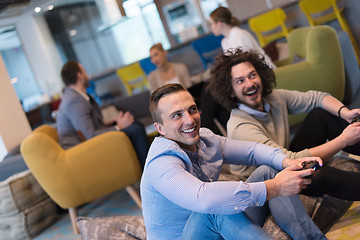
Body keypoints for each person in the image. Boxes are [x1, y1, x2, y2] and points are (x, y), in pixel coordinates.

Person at [140, 83, 326, 239]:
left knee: (269, 170)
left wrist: (286, 162)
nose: (189, 120)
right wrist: (275, 187)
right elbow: (204, 199)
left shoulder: (205, 139)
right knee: (214, 209)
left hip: (216, 232)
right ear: (160, 128)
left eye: (192, 110)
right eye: (176, 115)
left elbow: (251, 151)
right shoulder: (160, 163)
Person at [208, 48, 360, 200]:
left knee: (320, 116)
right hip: (270, 184)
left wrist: (344, 112)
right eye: (240, 81)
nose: (250, 84)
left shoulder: (274, 98)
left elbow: (317, 98)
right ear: (231, 91)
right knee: (319, 175)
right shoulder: (240, 126)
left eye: (252, 75)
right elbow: (291, 160)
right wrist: (343, 140)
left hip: (284, 159)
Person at [56, 60, 149, 169]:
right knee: (135, 130)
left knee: (136, 125)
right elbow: (89, 135)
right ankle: (148, 175)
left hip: (87, 144)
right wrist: (119, 127)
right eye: (85, 72)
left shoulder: (76, 96)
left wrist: (109, 124)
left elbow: (86, 126)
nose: (88, 76)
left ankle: (146, 170)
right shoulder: (74, 101)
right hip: (82, 153)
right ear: (79, 76)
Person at [209, 6, 276, 68]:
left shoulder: (240, 35)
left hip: (265, 72)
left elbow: (248, 63)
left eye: (211, 24)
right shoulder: (225, 41)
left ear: (219, 23)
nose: (211, 28)